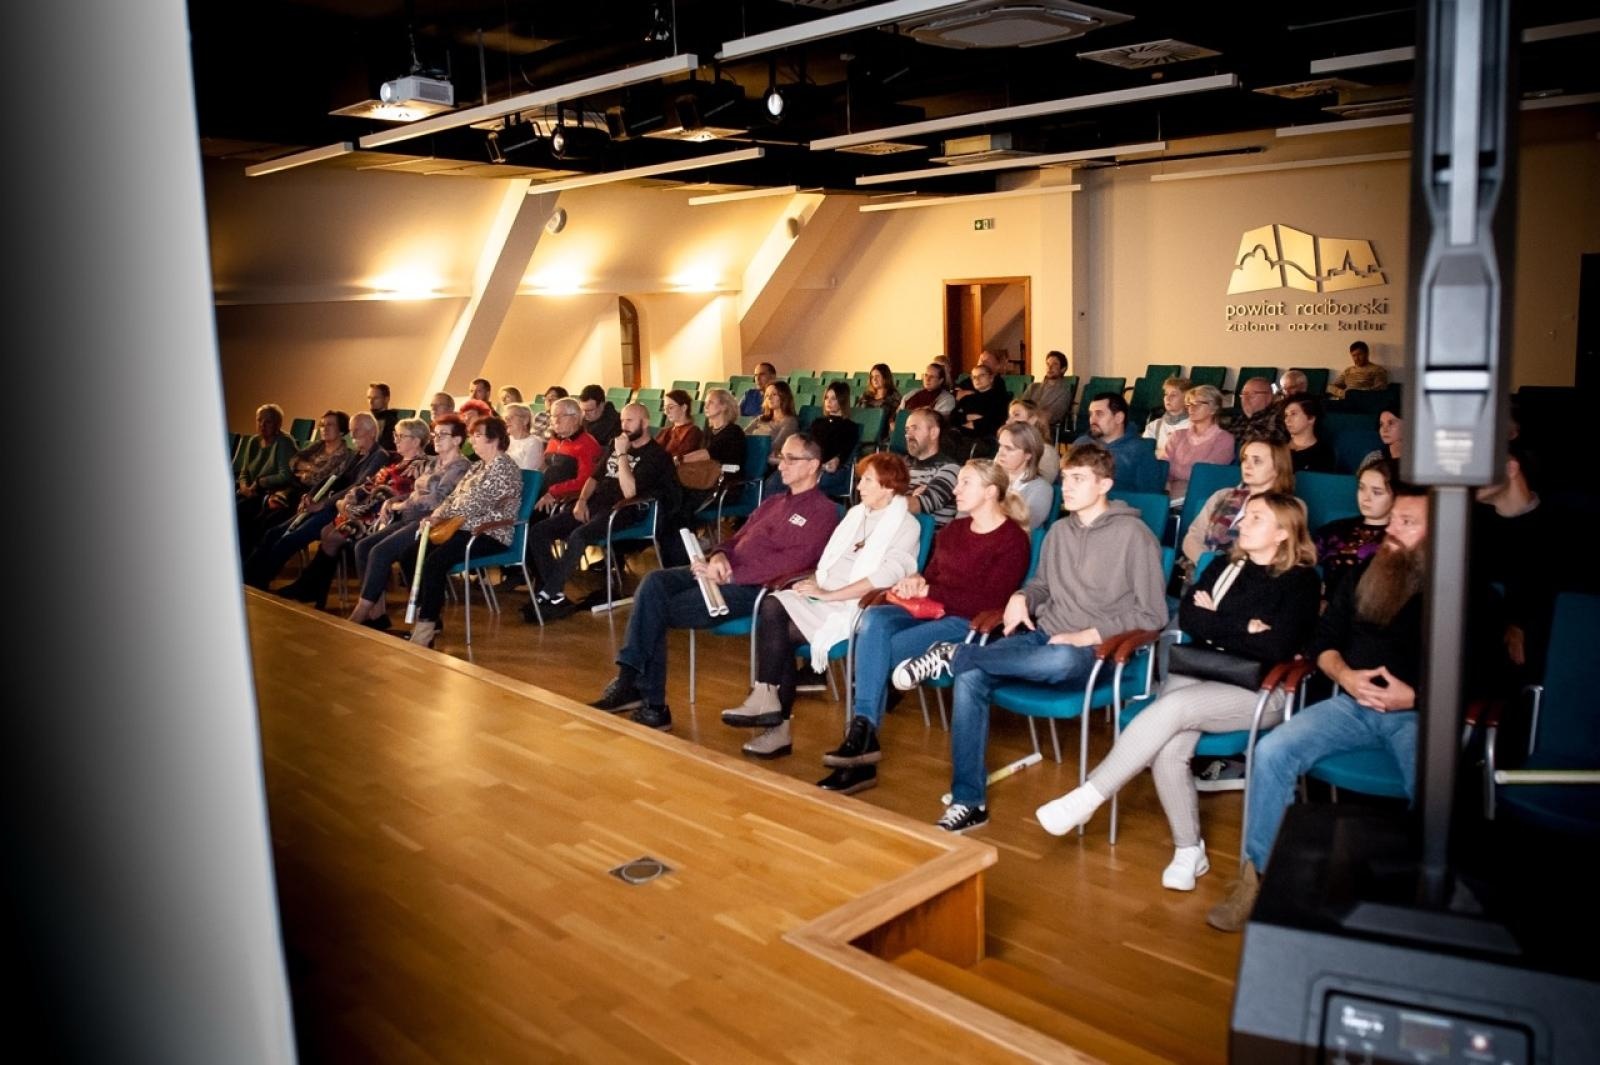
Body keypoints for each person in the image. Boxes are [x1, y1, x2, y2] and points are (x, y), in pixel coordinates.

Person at [1036, 493, 1322, 890]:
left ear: (1282, 533)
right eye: (1246, 514)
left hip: (1260, 689)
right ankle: (1190, 851)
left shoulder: (1301, 581)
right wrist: (1246, 628)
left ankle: (1090, 795)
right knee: (1170, 748)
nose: (1242, 521)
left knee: (1174, 708)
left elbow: (1275, 648)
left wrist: (1218, 621)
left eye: (1256, 517)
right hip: (1200, 668)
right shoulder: (1222, 565)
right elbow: (1188, 617)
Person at [892, 443, 1168, 833]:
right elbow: (1041, 585)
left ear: (1105, 484)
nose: (1066, 488)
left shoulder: (1134, 536)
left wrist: (1084, 635)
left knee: (1055, 658)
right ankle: (969, 801)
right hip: (1042, 637)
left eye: (1078, 480)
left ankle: (954, 655)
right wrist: (1023, 597)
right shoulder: (1058, 531)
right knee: (972, 677)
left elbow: (1152, 614)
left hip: (1096, 652)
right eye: (1066, 478)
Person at [1208, 483, 1429, 933]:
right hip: (1350, 704)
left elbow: (1487, 674)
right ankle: (1258, 877)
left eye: (1407, 523)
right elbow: (1323, 641)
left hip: (1419, 715)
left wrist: (1417, 696)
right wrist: (1346, 676)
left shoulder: (1462, 591)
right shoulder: (1367, 571)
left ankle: (1424, 895)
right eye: (1394, 519)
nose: (1392, 529)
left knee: (1433, 781)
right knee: (1271, 753)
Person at [587, 434, 841, 733]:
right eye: (780, 456)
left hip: (755, 590)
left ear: (812, 465)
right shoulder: (773, 502)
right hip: (723, 573)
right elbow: (736, 539)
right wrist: (719, 556)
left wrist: (732, 574)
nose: (780, 464)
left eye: (790, 458)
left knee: (656, 609)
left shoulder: (822, 511)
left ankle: (644, 694)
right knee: (655, 581)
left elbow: (793, 562)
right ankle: (642, 692)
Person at [821, 460, 1032, 795]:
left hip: (966, 624)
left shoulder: (1012, 539)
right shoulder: (953, 532)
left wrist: (929, 590)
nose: (954, 490)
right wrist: (915, 581)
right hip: (929, 611)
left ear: (991, 492)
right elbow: (931, 577)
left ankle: (861, 743)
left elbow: (989, 600)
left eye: (965, 483)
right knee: (873, 620)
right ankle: (863, 734)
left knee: (875, 652)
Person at [722, 453, 921, 759]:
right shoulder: (857, 514)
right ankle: (767, 700)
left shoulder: (906, 525)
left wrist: (830, 595)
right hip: (823, 593)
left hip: (855, 605)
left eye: (868, 479)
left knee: (780, 633)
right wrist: (818, 586)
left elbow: (885, 576)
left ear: (889, 487)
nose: (860, 485)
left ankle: (775, 720)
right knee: (773, 604)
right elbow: (828, 561)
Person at [526, 403, 681, 617]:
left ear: (645, 423)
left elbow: (630, 492)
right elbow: (594, 478)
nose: (623, 426)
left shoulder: (656, 455)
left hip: (625, 511)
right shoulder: (614, 445)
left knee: (579, 536)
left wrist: (622, 455)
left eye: (629, 421)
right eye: (622, 420)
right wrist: (581, 500)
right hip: (595, 504)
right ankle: (556, 594)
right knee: (538, 532)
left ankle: (549, 591)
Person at [273, 417, 431, 609]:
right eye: (395, 435)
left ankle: (313, 590)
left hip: (384, 516)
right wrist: (350, 496)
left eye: (400, 436)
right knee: (326, 532)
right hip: (369, 510)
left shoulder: (422, 465)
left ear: (415, 440)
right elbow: (370, 484)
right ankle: (315, 591)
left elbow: (398, 494)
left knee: (333, 537)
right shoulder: (397, 462)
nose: (395, 439)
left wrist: (355, 507)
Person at [400, 416, 523, 650]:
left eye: (477, 436)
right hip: (460, 527)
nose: (472, 441)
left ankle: (425, 628)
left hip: (488, 533)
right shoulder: (478, 466)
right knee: (409, 555)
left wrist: (441, 517)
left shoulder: (504, 468)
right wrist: (437, 513)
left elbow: (475, 504)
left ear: (494, 439)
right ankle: (431, 617)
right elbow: (454, 497)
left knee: (435, 562)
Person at [345, 415, 471, 630]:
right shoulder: (434, 463)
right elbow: (414, 493)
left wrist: (401, 506)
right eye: (435, 434)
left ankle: (362, 611)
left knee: (380, 552)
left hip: (432, 521)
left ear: (458, 440)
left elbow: (438, 500)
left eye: (443, 434)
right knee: (363, 546)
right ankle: (377, 613)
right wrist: (393, 501)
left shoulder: (460, 467)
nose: (437, 438)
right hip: (411, 516)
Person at [243, 411, 390, 590]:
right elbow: (333, 477)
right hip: (326, 504)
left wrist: (322, 504)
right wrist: (311, 495)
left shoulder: (379, 455)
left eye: (356, 431)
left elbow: (357, 487)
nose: (352, 435)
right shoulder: (357, 454)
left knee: (290, 538)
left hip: (342, 510)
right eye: (351, 431)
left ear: (372, 432)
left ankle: (257, 583)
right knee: (273, 532)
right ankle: (245, 577)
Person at [238, 408, 353, 557]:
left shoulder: (342, 454)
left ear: (342, 430)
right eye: (322, 425)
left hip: (311, 497)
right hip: (293, 491)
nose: (324, 429)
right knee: (257, 518)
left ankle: (257, 566)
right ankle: (248, 563)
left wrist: (304, 471)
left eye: (330, 425)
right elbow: (293, 462)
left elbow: (320, 478)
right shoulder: (318, 445)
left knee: (270, 523)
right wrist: (311, 468)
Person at [1182, 438, 1295, 565]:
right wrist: (1208, 563)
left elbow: (1281, 554)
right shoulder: (1222, 495)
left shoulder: (1286, 508)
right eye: (1245, 459)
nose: (1247, 465)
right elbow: (1192, 538)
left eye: (1257, 461)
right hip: (1205, 568)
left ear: (1277, 468)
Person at [1313, 455, 1395, 605]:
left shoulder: (1398, 537)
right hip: (1329, 612)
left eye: (1377, 492)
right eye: (1361, 488)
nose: (1366, 498)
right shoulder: (1333, 530)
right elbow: (1302, 566)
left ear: (1396, 496)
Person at [1074, 391, 1163, 493]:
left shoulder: (1140, 450)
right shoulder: (1081, 444)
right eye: (1091, 414)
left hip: (1119, 506)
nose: (1092, 420)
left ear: (1118, 417)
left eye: (1099, 414)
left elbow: (1150, 496)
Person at [1164, 385, 1235, 504]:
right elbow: (1163, 468)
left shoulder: (1224, 439)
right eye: (1189, 404)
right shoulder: (1177, 435)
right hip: (1169, 491)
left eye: (1197, 404)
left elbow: (1204, 474)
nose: (1191, 408)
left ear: (1214, 408)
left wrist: (1175, 469)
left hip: (1202, 497)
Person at [534, 397, 603, 514]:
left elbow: (585, 482)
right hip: (541, 493)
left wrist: (553, 492)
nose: (555, 420)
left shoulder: (587, 444)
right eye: (553, 416)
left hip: (564, 501)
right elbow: (544, 468)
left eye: (561, 416)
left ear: (575, 418)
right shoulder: (553, 441)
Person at [233, 403, 296, 532]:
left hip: (272, 493)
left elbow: (285, 476)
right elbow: (244, 473)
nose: (262, 425)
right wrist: (244, 487)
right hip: (251, 491)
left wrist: (259, 483)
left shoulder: (284, 442)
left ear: (278, 424)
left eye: (268, 422)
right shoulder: (253, 441)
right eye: (259, 420)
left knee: (238, 511)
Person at [902, 409, 961, 527]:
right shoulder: (903, 465)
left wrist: (884, 499)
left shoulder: (950, 469)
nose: (908, 435)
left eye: (915, 428)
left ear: (934, 432)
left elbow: (921, 504)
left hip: (928, 541)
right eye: (907, 430)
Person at [993, 421, 1052, 530]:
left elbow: (1023, 526)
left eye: (1009, 448)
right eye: (1000, 446)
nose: (1001, 452)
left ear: (1028, 455)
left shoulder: (1041, 489)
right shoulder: (990, 479)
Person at [952, 362, 1010, 448]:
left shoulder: (1000, 398)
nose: (977, 379)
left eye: (981, 375)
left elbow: (993, 422)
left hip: (984, 440)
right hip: (961, 436)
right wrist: (967, 417)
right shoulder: (967, 398)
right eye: (974, 377)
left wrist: (967, 423)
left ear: (991, 378)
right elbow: (952, 417)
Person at [748, 380, 799, 474]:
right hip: (750, 455)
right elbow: (743, 435)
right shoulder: (761, 419)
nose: (769, 398)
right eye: (767, 395)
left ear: (784, 397)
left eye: (774, 394)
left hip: (766, 461)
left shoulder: (790, 421)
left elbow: (775, 445)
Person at [1007, 399, 1059, 482]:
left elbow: (1040, 486)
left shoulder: (1046, 452)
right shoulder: (1005, 446)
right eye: (1009, 416)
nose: (1008, 422)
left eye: (1016, 415)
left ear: (1033, 419)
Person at [1021, 350, 1072, 433]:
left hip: (1043, 429)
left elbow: (1053, 415)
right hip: (1023, 424)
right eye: (1048, 364)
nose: (1050, 367)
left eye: (1054, 364)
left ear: (1063, 369)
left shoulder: (1064, 392)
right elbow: (1020, 407)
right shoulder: (1033, 387)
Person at [1283, 395, 1335, 474]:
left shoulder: (1323, 454)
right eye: (1286, 415)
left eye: (1293, 414)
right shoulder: (1277, 445)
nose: (1287, 420)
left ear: (1311, 418)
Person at [1142, 376, 1192, 460]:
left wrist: (1159, 453)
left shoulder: (1194, 425)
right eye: (1166, 394)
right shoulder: (1155, 425)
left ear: (1186, 399)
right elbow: (1143, 453)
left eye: (1173, 395)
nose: (1168, 398)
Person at [1228, 376, 1285, 444]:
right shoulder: (1240, 418)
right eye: (1243, 394)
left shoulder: (1276, 419)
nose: (1245, 399)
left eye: (1252, 394)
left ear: (1269, 397)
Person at [656, 389, 704, 461]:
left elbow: (680, 458)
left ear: (684, 407)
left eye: (671, 407)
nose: (666, 412)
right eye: (665, 408)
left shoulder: (693, 432)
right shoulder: (665, 431)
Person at [856, 363, 901, 438]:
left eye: (877, 376)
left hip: (882, 435)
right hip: (862, 432)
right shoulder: (866, 396)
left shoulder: (894, 397)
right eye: (872, 377)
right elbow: (857, 415)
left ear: (885, 377)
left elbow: (893, 420)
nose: (874, 379)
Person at [576, 385, 621, 450]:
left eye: (589, 410)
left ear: (602, 405)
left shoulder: (616, 424)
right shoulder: (581, 420)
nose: (584, 414)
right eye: (582, 410)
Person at [502, 403, 544, 471]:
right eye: (505, 418)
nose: (507, 421)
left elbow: (527, 471)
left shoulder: (534, 442)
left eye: (511, 417)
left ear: (525, 420)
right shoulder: (505, 440)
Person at [366, 381, 400, 451]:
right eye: (369, 398)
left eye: (375, 398)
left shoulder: (391, 422)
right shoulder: (366, 419)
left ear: (386, 399)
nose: (371, 402)